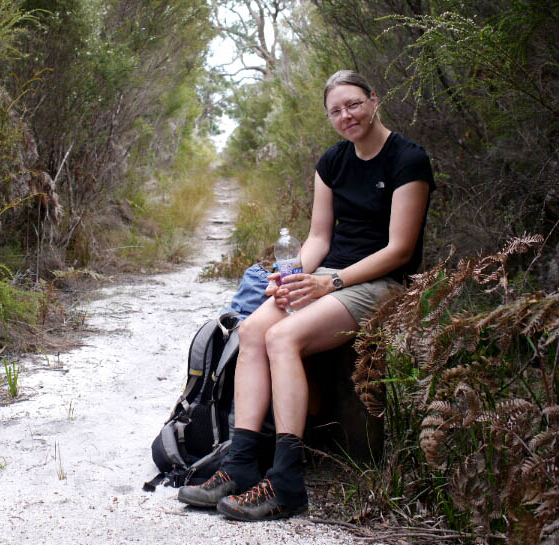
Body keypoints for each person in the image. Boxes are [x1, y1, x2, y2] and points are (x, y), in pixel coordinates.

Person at [177, 69, 436, 521]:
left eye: (353, 104)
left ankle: (286, 481)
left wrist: (330, 283)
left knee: (283, 338)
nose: (346, 116)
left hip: (380, 284)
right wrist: (295, 275)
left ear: (374, 100)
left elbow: (400, 249)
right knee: (255, 328)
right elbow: (318, 238)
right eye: (336, 110)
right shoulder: (332, 163)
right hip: (330, 277)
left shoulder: (407, 159)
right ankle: (240, 464)